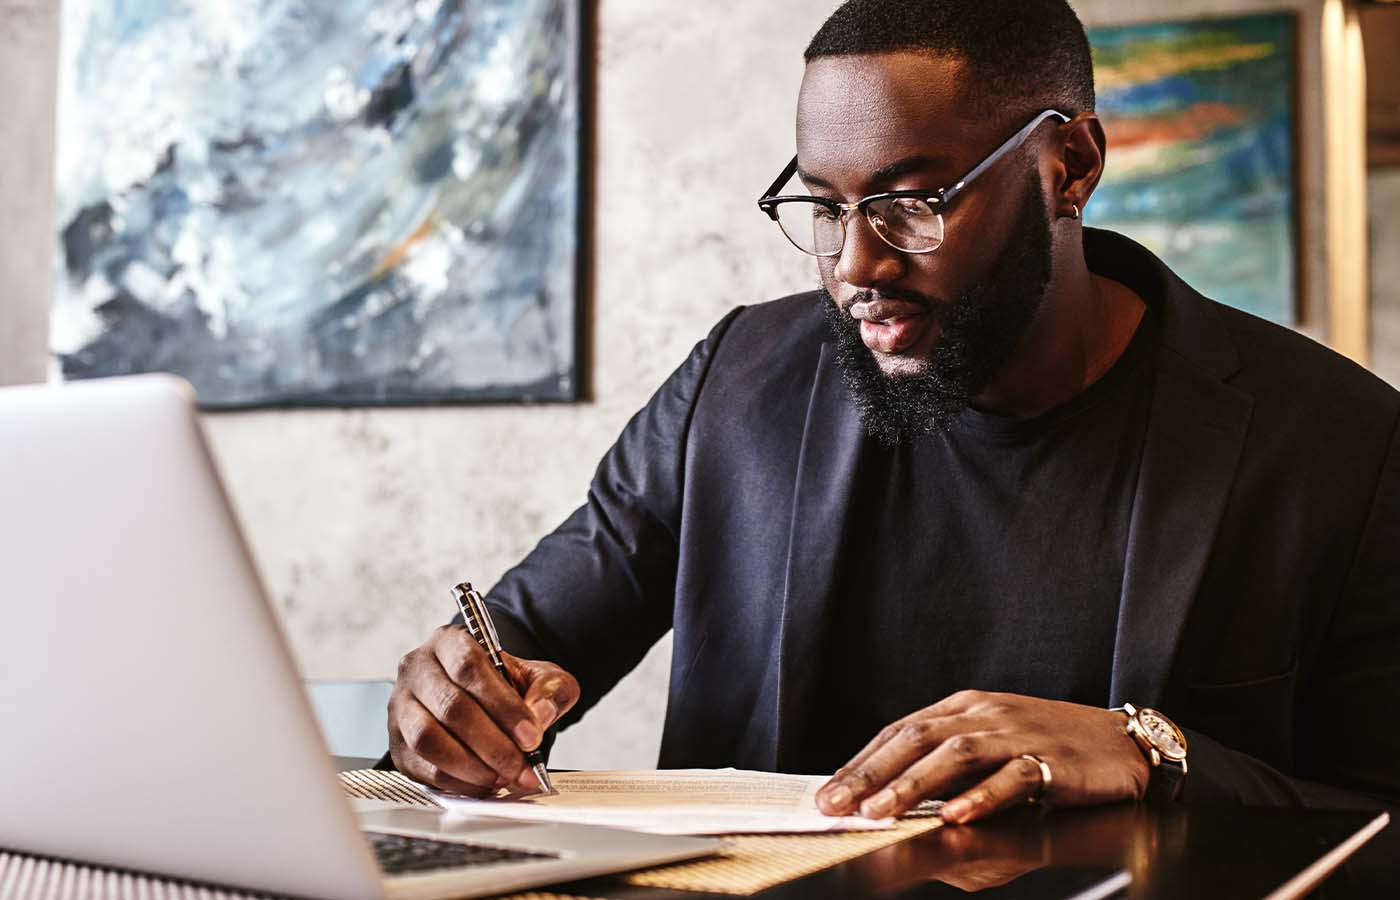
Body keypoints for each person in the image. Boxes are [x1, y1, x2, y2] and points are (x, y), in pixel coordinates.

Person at [386, 0, 1400, 835]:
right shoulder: (734, 384)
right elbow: (517, 649)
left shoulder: (1338, 442)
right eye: (822, 208)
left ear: (1069, 167)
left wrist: (1152, 754)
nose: (854, 267)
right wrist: (452, 703)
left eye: (911, 203)